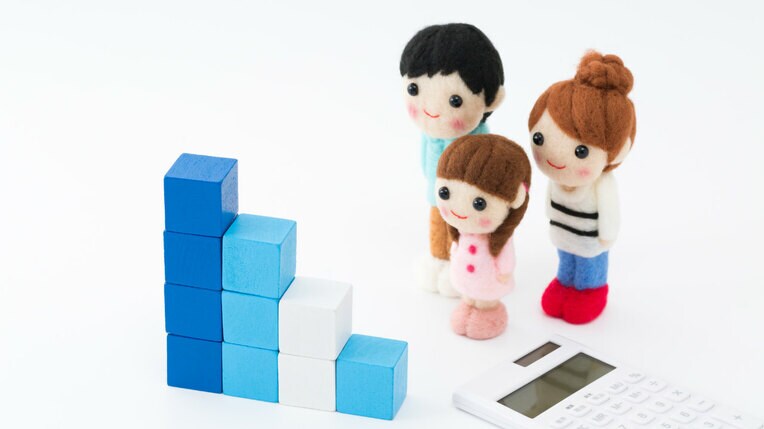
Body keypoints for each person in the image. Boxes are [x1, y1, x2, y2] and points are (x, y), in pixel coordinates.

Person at [528, 51, 637, 324]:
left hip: (591, 240)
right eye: (539, 138)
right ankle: (564, 284)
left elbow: (610, 214)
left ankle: (591, 292)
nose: (555, 157)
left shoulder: (601, 185)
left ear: (617, 151)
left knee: (589, 266)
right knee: (566, 260)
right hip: (563, 233)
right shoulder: (556, 179)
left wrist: (607, 237)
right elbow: (549, 202)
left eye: (580, 151)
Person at [400, 23, 506, 296]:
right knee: (437, 225)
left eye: (455, 101)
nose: (432, 110)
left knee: (464, 233)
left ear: (492, 99)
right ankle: (438, 260)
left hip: (468, 206)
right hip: (436, 195)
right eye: (414, 89)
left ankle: (463, 268)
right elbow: (426, 164)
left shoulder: (478, 141)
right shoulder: (430, 134)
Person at [434, 134, 531, 339]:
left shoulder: (499, 240)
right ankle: (468, 306)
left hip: (489, 280)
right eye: (445, 193)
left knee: (485, 300)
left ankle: (490, 314)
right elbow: (455, 247)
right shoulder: (461, 232)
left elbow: (506, 258)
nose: (459, 209)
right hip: (465, 276)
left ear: (515, 200)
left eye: (479, 203)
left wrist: (504, 272)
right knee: (468, 297)